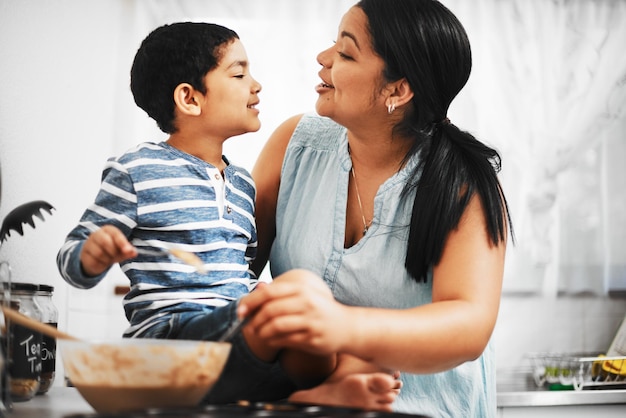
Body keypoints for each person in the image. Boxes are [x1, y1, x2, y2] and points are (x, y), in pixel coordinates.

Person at [56, 22, 400, 408]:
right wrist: (91, 255)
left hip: (235, 345)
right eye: (238, 74)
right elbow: (71, 259)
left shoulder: (241, 184)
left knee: (351, 350)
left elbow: (242, 272)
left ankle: (306, 392)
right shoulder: (137, 169)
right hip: (171, 341)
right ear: (190, 98)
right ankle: (308, 390)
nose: (256, 85)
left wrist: (258, 297)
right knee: (301, 294)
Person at [239, 0, 514, 416]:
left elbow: (468, 326)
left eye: (346, 53)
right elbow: (230, 267)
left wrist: (340, 327)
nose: (323, 59)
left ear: (397, 90)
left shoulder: (462, 182)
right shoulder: (293, 145)